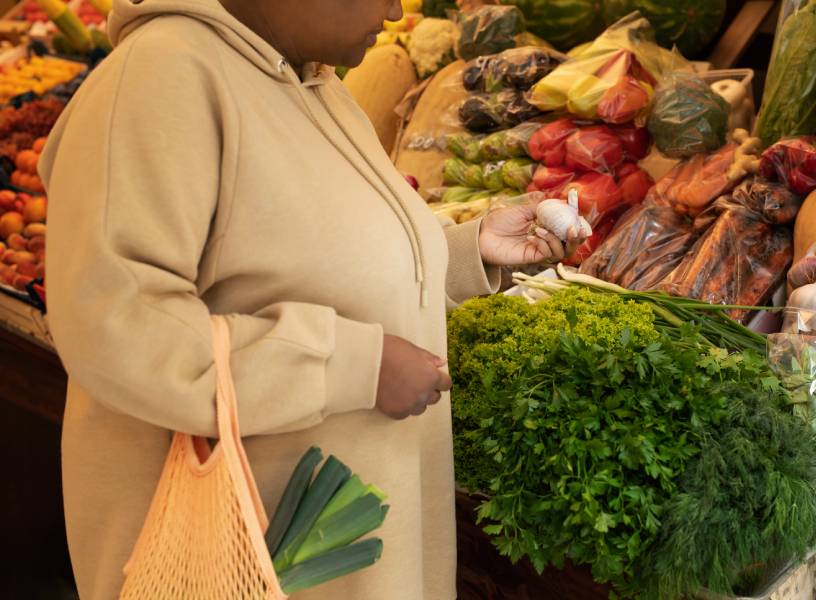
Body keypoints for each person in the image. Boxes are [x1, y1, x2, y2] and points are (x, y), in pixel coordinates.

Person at [39, 0, 583, 598]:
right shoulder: (160, 77)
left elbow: (307, 268)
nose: (398, 11)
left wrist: (464, 255)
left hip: (334, 554)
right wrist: (354, 366)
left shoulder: (310, 80)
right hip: (241, 559)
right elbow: (118, 325)